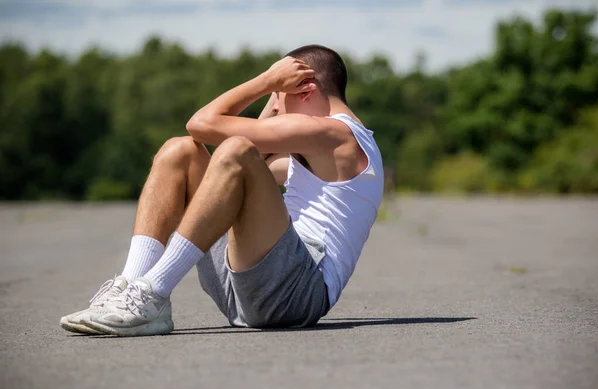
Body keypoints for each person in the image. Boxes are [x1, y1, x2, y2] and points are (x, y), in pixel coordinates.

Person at [60, 44, 384, 336]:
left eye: (280, 98)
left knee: (236, 150)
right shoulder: (323, 152)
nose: (276, 110)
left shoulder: (333, 133)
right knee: (181, 152)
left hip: (297, 293)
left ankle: (152, 293)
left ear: (306, 89)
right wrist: (274, 103)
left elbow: (204, 124)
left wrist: (266, 81)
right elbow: (233, 174)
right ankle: (129, 288)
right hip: (249, 286)